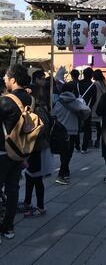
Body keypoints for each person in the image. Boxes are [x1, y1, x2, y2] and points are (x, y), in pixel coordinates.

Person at [0, 64, 32, 239]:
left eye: (6, 77)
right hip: (20, 151)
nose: (4, 80)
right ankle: (9, 228)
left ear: (13, 79)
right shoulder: (30, 99)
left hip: (3, 151)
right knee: (13, 189)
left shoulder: (6, 101)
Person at [18, 70, 54, 217]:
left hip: (37, 148)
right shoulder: (37, 109)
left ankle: (40, 207)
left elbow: (42, 129)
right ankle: (27, 202)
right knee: (30, 176)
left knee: (36, 178)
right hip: (33, 148)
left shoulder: (39, 110)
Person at [51, 83, 91, 185]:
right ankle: (61, 174)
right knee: (68, 153)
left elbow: (53, 114)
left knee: (63, 153)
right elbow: (87, 110)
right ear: (72, 91)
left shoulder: (58, 102)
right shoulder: (76, 102)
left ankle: (65, 171)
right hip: (72, 131)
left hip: (60, 131)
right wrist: (81, 117)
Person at [76, 67, 97, 153]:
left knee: (76, 126)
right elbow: (94, 98)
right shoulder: (93, 85)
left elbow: (75, 95)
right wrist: (90, 106)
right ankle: (84, 147)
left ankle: (77, 145)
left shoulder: (78, 84)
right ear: (91, 75)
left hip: (77, 107)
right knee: (87, 128)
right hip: (87, 108)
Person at [91, 69, 106, 148]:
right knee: (100, 125)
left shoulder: (95, 84)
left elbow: (93, 96)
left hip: (96, 104)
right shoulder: (104, 83)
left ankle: (95, 141)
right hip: (103, 105)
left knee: (95, 124)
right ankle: (99, 139)